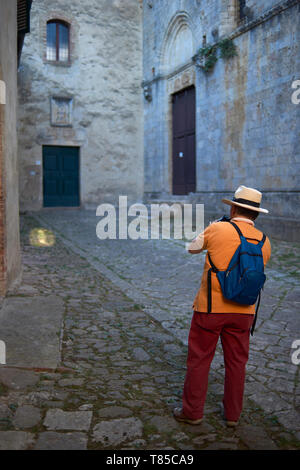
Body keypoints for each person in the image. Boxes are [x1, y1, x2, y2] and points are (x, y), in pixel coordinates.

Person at [173, 185, 271, 427]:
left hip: (210, 309)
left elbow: (191, 248)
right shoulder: (265, 241)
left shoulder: (218, 228)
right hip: (244, 313)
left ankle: (192, 412)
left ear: (234, 207)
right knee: (237, 363)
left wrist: (213, 227)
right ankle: (232, 415)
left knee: (199, 360)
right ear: (256, 214)